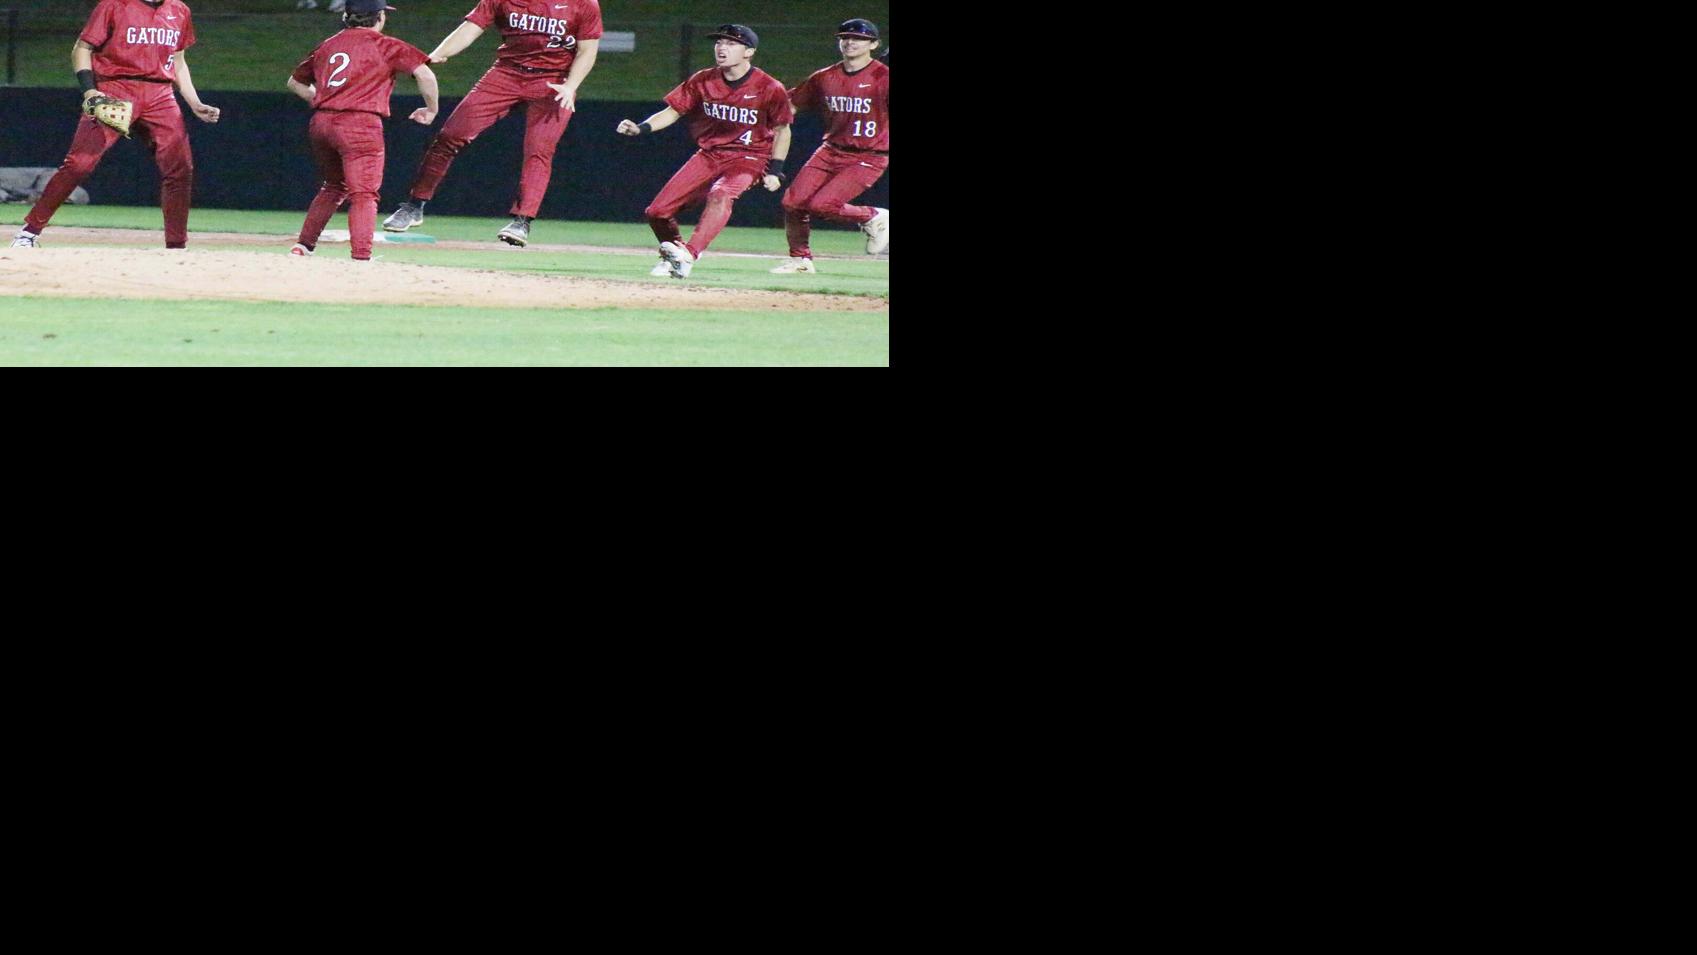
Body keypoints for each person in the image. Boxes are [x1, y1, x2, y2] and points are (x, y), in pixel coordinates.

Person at [380, 0, 602, 247]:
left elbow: (587, 50)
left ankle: (522, 221)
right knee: (450, 134)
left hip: (554, 81)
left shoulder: (583, 3)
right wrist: (437, 54)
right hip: (507, 72)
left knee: (539, 150)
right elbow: (470, 29)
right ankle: (414, 206)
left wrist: (571, 86)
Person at [11, 0, 220, 249]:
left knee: (180, 169)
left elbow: (177, 62)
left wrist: (194, 103)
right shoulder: (114, 5)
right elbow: (81, 48)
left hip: (160, 94)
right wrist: (89, 91)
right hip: (115, 88)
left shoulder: (179, 10)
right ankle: (28, 232)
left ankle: (176, 246)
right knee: (79, 164)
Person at [616, 24, 793, 279]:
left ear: (749, 52)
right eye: (719, 42)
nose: (722, 48)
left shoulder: (769, 87)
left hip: (750, 158)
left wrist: (776, 171)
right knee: (657, 212)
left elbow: (782, 130)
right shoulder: (703, 79)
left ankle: (689, 254)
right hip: (709, 155)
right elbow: (673, 111)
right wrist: (641, 128)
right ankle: (674, 255)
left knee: (721, 194)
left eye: (731, 43)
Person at [285, 0, 439, 261]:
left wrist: (327, 101)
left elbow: (295, 82)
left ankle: (303, 246)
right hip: (360, 125)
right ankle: (361, 257)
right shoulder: (386, 45)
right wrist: (431, 109)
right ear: (379, 17)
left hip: (322, 123)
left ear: (346, 16)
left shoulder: (328, 44)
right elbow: (425, 75)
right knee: (364, 193)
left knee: (334, 185)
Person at [771, 18, 889, 274]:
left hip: (869, 155)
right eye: (845, 37)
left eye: (858, 38)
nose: (850, 42)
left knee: (822, 205)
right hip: (831, 150)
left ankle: (872, 216)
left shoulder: (884, 78)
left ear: (874, 44)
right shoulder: (825, 77)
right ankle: (800, 259)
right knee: (793, 202)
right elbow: (790, 105)